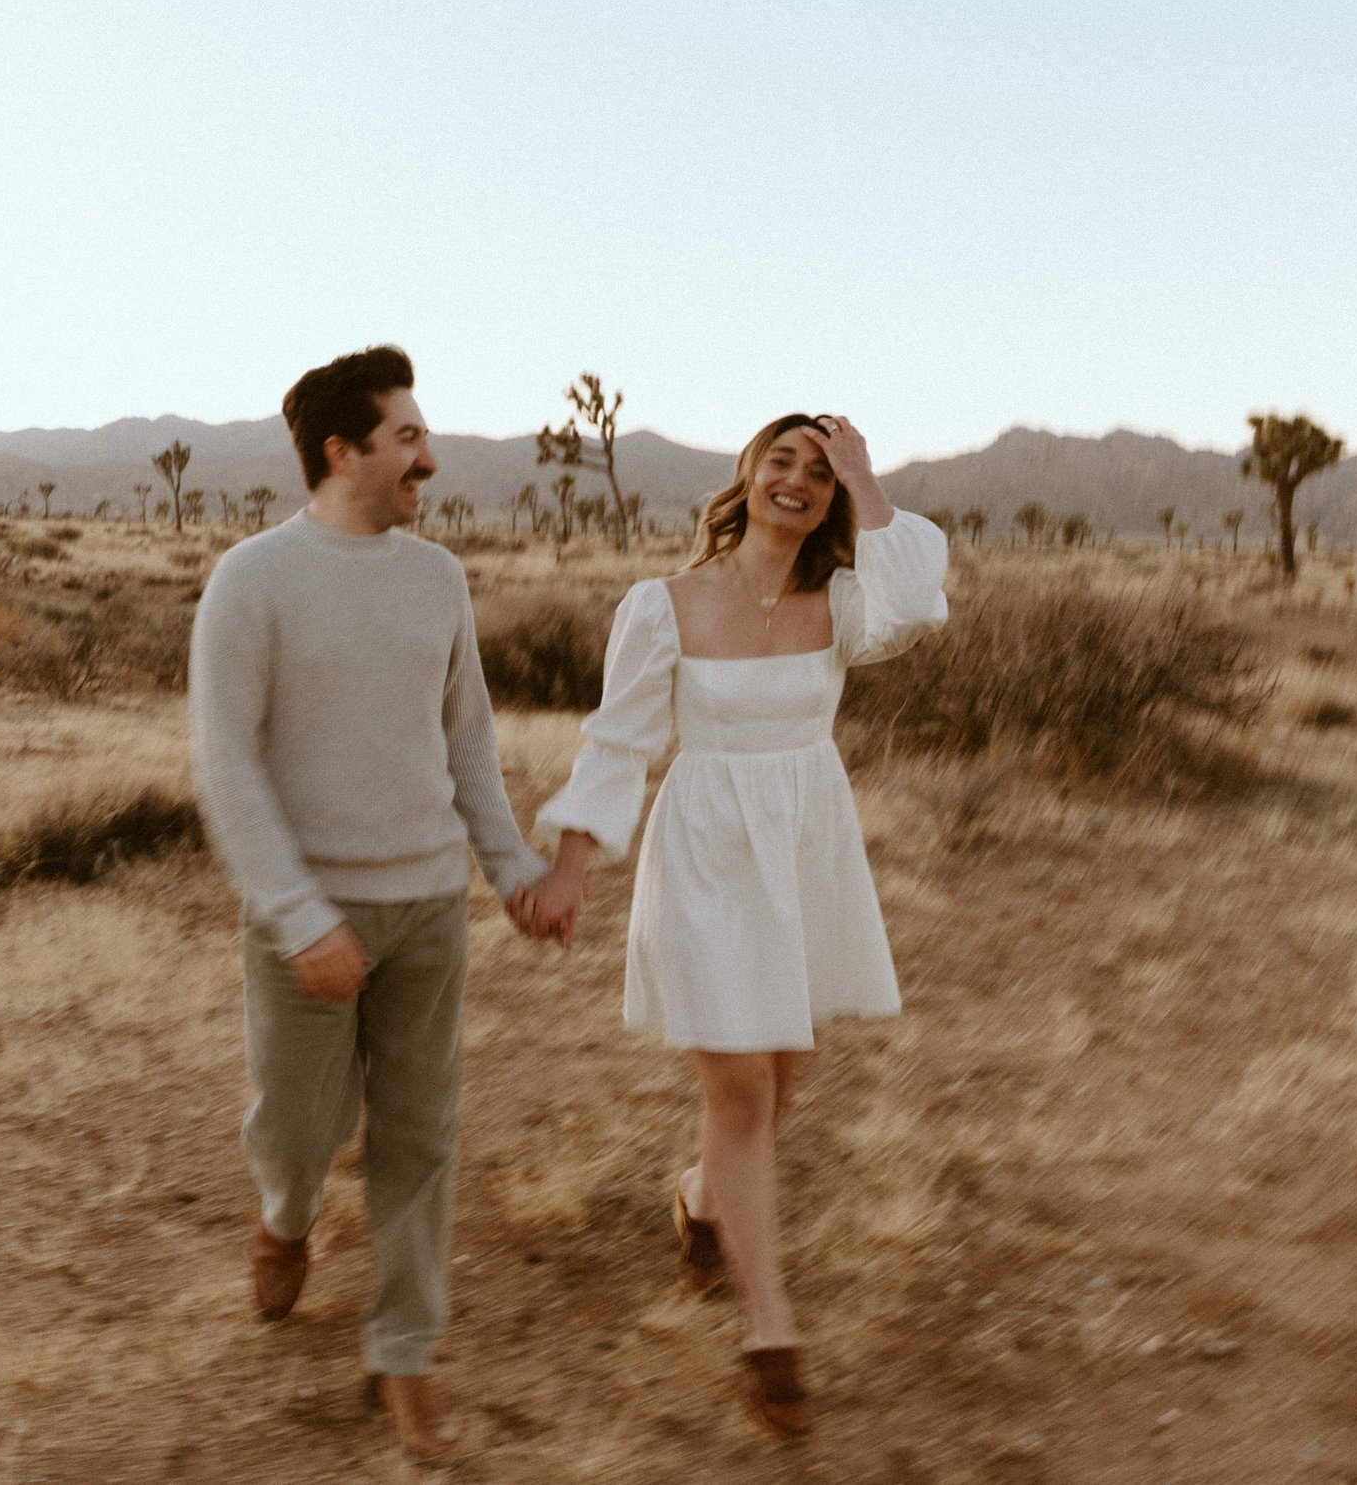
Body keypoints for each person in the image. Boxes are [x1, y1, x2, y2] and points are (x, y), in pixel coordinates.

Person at [515, 412, 947, 1441]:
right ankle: (768, 1322)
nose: (796, 479)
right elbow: (618, 741)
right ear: (746, 477)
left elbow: (916, 607)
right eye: (779, 460)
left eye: (818, 470)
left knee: (784, 1073)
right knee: (742, 1083)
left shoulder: (844, 601)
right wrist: (570, 863)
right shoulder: (661, 606)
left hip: (804, 844)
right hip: (706, 848)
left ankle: (704, 1194)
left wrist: (868, 478)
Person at [189, 345, 550, 1463]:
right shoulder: (252, 578)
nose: (428, 460)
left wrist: (515, 869)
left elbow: (468, 746)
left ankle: (405, 1349)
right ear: (342, 451)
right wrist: (300, 915)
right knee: (299, 1129)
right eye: (407, 439)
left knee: (418, 1136)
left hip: (427, 904)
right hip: (307, 918)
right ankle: (285, 1214)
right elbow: (227, 763)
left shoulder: (436, 578)